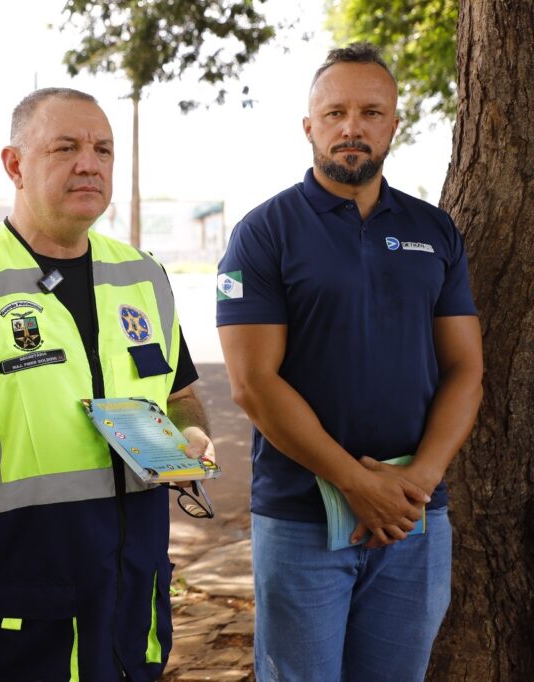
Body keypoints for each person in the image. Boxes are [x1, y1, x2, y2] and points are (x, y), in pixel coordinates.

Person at [0, 87, 214, 681]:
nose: (89, 163)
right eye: (65, 147)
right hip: (9, 628)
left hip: (130, 613)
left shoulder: (143, 276)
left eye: (103, 150)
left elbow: (182, 397)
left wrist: (193, 437)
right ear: (14, 165)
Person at [215, 43, 483, 681]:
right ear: (309, 127)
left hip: (413, 519)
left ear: (395, 124)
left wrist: (417, 482)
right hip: (303, 515)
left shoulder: (435, 231)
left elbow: (466, 370)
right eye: (335, 113)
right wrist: (357, 484)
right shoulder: (264, 232)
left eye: (371, 111)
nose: (352, 127)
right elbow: (253, 384)